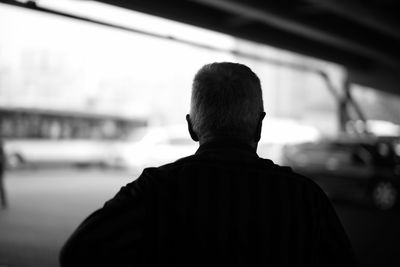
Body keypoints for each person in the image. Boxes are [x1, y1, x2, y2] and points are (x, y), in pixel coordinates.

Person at [60, 62, 357, 267]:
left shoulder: (154, 190)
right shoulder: (306, 198)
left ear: (192, 127)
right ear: (259, 126)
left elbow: (77, 253)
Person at [0, 139, 7, 209]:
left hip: (0, 171)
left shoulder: (1, 151)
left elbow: (3, 160)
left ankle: (4, 202)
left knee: (1, 187)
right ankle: (4, 202)